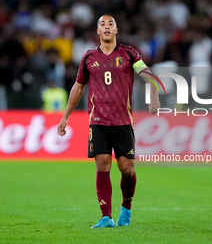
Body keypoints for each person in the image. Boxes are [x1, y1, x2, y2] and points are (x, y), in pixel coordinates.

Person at [57, 14, 160, 228]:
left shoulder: (130, 54)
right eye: (102, 25)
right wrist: (65, 117)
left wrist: (154, 96)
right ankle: (106, 216)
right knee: (102, 165)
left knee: (126, 169)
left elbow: (148, 75)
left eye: (110, 24)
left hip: (123, 120)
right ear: (97, 32)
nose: (106, 27)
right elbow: (78, 87)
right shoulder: (88, 58)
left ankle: (126, 208)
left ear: (116, 31)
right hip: (98, 120)